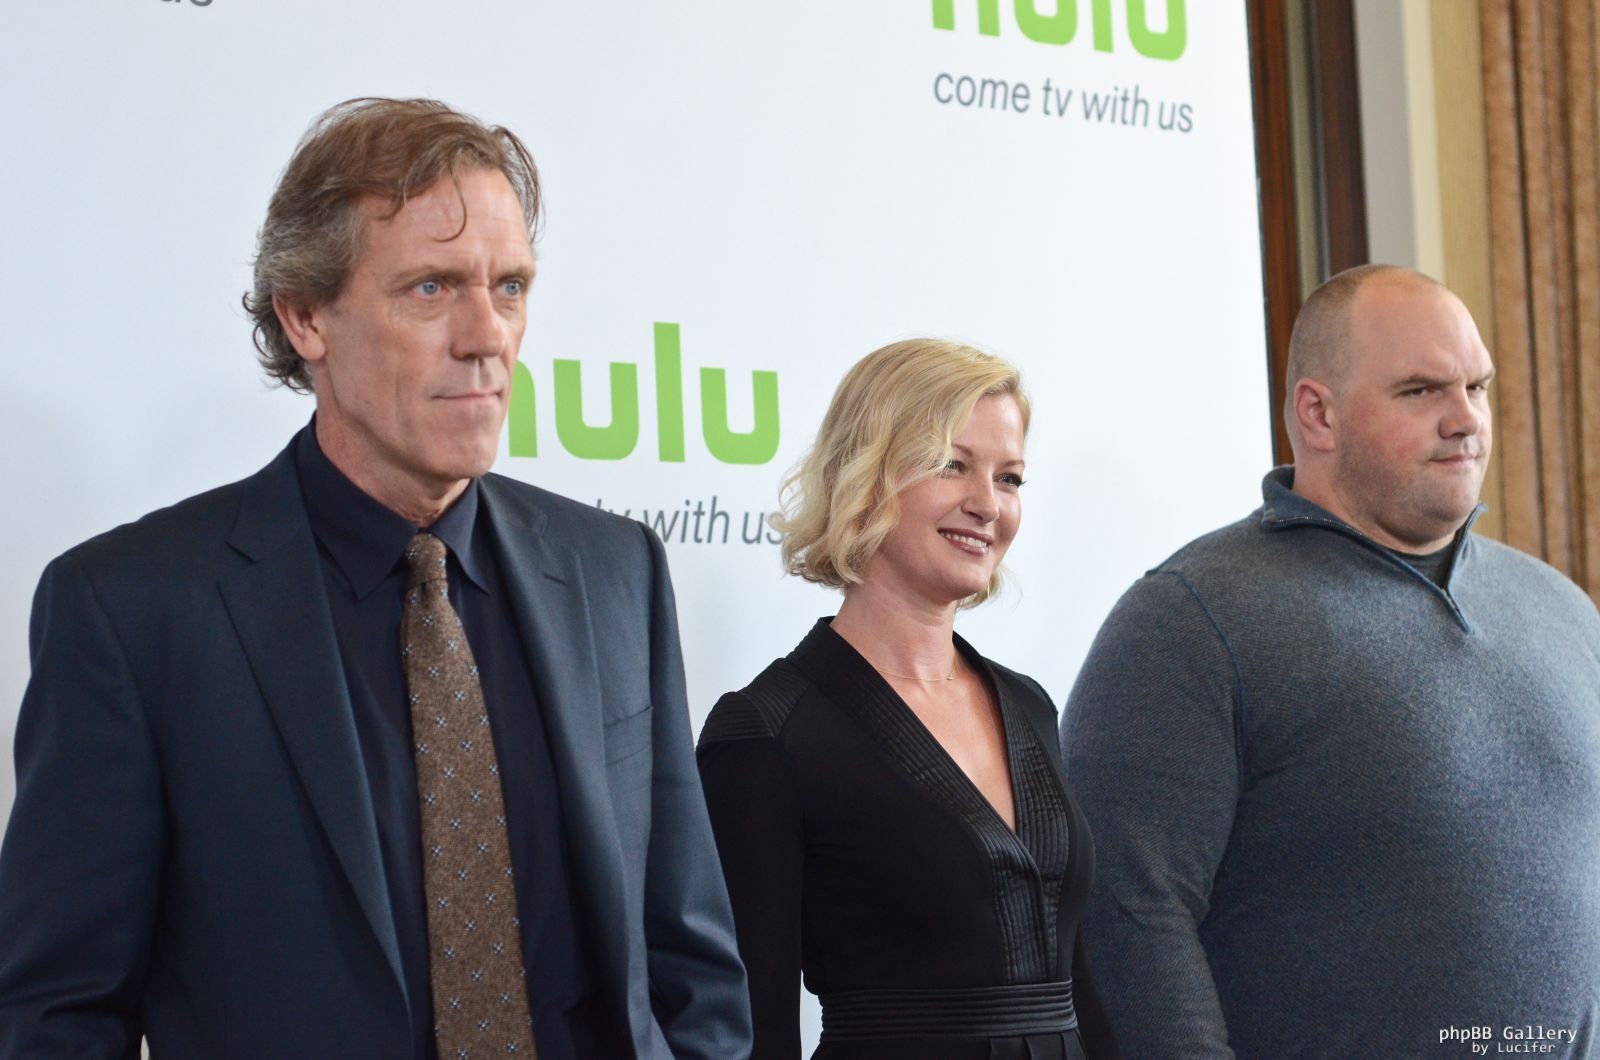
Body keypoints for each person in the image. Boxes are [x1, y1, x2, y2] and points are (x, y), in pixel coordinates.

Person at [0, 98, 751, 1060]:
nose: (487, 335)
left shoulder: (615, 572)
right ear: (306, 316)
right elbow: (58, 1013)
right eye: (432, 288)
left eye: (510, 287)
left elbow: (690, 964)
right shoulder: (133, 609)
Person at [1063, 265, 1600, 1058]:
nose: (1465, 420)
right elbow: (1126, 912)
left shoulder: (1562, 609)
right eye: (1421, 390)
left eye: (1477, 388)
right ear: (1318, 413)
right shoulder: (1190, 619)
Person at [697, 339, 1119, 1059]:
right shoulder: (766, 732)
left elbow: (1077, 984)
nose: (987, 504)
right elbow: (749, 1027)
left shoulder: (1027, 705)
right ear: (864, 475)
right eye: (952, 464)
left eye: (1009, 478)